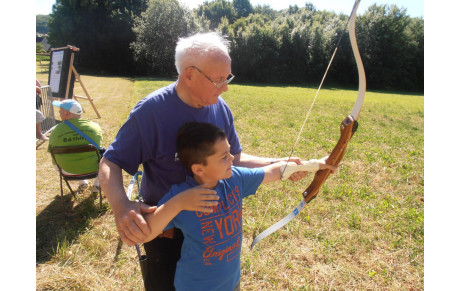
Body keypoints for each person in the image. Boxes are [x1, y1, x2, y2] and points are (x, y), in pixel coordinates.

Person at [99, 32, 311, 290]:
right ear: (189, 75)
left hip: (212, 235)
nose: (226, 87)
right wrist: (121, 205)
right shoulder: (151, 112)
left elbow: (236, 159)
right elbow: (110, 162)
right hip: (166, 234)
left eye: (228, 77)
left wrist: (278, 163)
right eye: (219, 80)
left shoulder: (221, 108)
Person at [141, 122, 336, 291]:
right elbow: (148, 232)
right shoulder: (180, 195)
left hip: (230, 282)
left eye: (230, 152)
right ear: (199, 169)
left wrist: (317, 164)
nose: (232, 158)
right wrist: (179, 203)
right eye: (224, 156)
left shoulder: (235, 178)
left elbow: (273, 171)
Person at [48, 99, 102, 191]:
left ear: (67, 113)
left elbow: (51, 152)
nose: (59, 112)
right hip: (94, 170)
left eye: (60, 110)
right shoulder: (95, 127)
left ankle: (83, 182)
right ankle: (97, 185)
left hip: (67, 171)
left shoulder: (55, 131)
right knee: (104, 156)